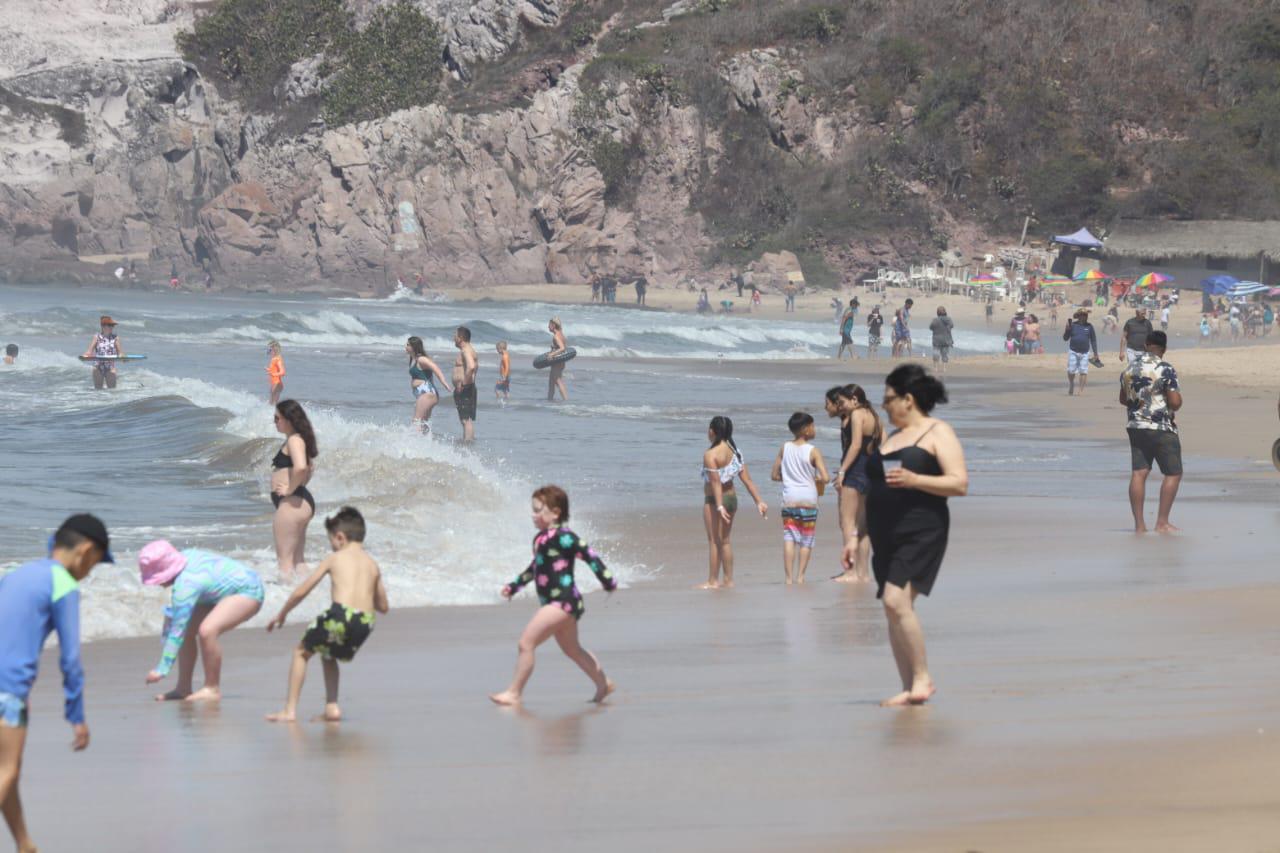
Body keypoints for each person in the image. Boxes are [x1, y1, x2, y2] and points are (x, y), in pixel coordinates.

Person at [855, 364, 967, 707]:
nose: (884, 406)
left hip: (922, 528)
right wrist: (854, 537)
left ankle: (922, 678)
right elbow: (872, 489)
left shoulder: (937, 432)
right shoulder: (892, 438)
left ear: (908, 399)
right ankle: (909, 686)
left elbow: (959, 482)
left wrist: (917, 481)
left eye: (889, 399)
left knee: (895, 601)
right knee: (893, 608)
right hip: (884, 532)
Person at [0, 514, 112, 853]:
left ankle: (25, 844)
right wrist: (76, 715)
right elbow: (71, 659)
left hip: (8, 690)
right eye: (94, 565)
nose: (89, 572)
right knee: (7, 769)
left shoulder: (16, 574)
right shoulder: (63, 583)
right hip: (8, 690)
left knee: (8, 771)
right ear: (86, 552)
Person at [489, 486, 617, 705]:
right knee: (572, 650)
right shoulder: (541, 538)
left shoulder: (564, 537)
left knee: (526, 643)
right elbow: (535, 567)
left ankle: (514, 693)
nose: (533, 515)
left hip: (563, 601)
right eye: (533, 510)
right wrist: (514, 586)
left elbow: (589, 555)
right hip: (556, 602)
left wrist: (607, 580)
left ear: (555, 513)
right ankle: (603, 684)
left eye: (538, 510)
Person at [266, 507, 389, 723]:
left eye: (331, 540)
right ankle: (332, 708)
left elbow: (303, 590)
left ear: (340, 537)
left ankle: (289, 710)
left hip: (341, 615)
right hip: (366, 622)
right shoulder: (372, 564)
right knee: (328, 654)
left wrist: (282, 613)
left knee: (301, 653)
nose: (331, 545)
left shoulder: (335, 558)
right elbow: (383, 606)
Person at [140, 541, 264, 703]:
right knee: (189, 629)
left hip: (248, 590)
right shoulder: (185, 557)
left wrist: (162, 669)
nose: (158, 584)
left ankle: (212, 688)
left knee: (207, 630)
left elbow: (177, 630)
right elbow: (179, 626)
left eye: (156, 579)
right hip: (216, 594)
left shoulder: (187, 584)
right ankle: (183, 688)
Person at [1120, 330, 1183, 533]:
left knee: (1139, 473)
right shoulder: (1165, 368)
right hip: (1161, 427)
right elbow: (1175, 402)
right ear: (1164, 349)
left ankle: (1139, 525)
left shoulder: (1129, 368)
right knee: (1173, 473)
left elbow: (1123, 399)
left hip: (1136, 427)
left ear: (1146, 345)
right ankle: (1162, 522)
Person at [700, 416, 768, 590]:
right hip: (732, 498)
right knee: (725, 541)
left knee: (714, 541)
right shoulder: (735, 450)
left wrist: (719, 505)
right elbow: (747, 480)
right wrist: (759, 501)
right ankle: (728, 580)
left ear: (712, 431)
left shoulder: (710, 454)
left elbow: (715, 482)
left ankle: (713, 581)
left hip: (716, 501)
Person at [827, 385, 880, 583]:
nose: (841, 406)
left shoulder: (858, 415)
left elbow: (856, 445)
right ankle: (863, 573)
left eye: (843, 402)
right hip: (871, 470)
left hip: (856, 470)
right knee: (863, 526)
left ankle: (850, 572)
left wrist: (842, 472)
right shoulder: (874, 416)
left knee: (848, 523)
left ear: (855, 399)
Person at [770, 412, 830, 585]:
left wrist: (788, 477)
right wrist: (816, 479)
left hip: (790, 498)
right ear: (806, 429)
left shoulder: (785, 447)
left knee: (789, 537)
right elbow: (825, 477)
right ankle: (801, 577)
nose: (815, 429)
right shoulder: (813, 451)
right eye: (813, 425)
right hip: (808, 500)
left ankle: (788, 579)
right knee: (807, 538)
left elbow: (774, 474)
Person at [271, 400, 318, 579]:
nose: (275, 422)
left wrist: (290, 490)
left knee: (285, 562)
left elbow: (301, 468)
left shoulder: (294, 440)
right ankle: (309, 595)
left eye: (277, 418)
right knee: (298, 561)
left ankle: (282, 599)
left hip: (292, 504)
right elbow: (309, 468)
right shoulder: (300, 440)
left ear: (289, 419)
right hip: (299, 502)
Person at [406, 336, 452, 434]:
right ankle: (426, 444)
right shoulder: (414, 359)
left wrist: (444, 382)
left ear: (414, 347)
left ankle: (414, 443)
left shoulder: (421, 359)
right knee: (423, 423)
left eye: (408, 345)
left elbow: (435, 368)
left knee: (416, 421)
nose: (406, 347)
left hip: (427, 393)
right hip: (425, 394)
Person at [81, 315, 124, 389]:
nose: (112, 327)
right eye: (110, 325)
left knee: (112, 391)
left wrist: (123, 357)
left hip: (110, 367)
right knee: (98, 391)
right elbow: (89, 351)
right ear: (103, 326)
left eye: (112, 325)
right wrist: (85, 356)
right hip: (97, 367)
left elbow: (120, 353)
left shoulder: (115, 338)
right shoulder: (96, 337)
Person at [1064, 309, 1100, 396]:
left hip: (1085, 352)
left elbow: (1093, 340)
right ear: (1079, 316)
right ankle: (1072, 384)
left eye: (1086, 315)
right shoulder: (1073, 325)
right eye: (1083, 315)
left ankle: (1080, 390)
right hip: (1073, 351)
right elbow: (1065, 338)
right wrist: (1067, 330)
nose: (1085, 316)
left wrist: (1095, 353)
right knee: (1071, 370)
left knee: (1083, 371)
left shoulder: (1089, 326)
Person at [453, 326, 478, 444]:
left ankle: (468, 443)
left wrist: (463, 384)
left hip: (465, 388)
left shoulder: (466, 350)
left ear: (460, 338)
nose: (453, 338)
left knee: (465, 420)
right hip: (468, 387)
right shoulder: (468, 350)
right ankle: (468, 441)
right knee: (465, 419)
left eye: (455, 336)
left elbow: (471, 367)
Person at [546, 317, 569, 402]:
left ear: (553, 325)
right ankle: (549, 401)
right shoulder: (561, 334)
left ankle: (567, 402)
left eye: (549, 325)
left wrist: (552, 354)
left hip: (557, 363)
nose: (548, 327)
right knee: (551, 384)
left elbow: (562, 348)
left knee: (559, 382)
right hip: (560, 362)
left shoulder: (556, 336)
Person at [929, 307, 954, 375]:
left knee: (936, 354)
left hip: (936, 339)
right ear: (945, 312)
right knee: (945, 354)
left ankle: (936, 368)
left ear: (937, 313)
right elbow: (952, 326)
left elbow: (930, 327)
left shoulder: (935, 320)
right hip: (946, 339)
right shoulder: (949, 319)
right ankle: (944, 368)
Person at [266, 340, 285, 406]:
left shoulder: (277, 359)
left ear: (275, 349)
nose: (268, 351)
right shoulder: (274, 359)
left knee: (272, 404)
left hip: (277, 384)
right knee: (272, 404)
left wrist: (273, 374)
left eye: (269, 349)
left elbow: (282, 372)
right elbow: (275, 370)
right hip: (274, 383)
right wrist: (269, 370)